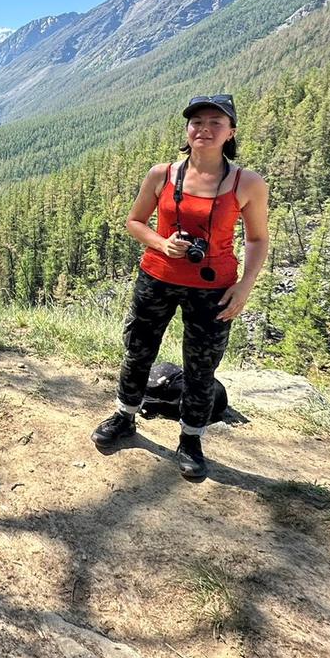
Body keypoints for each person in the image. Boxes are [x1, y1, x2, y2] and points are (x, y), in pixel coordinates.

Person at [90, 94, 269, 479]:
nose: (204, 129)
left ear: (231, 132)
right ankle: (125, 417)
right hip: (156, 277)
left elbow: (257, 239)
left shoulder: (247, 183)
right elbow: (135, 221)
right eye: (196, 122)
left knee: (201, 366)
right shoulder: (162, 174)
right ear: (187, 130)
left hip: (215, 287)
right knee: (137, 351)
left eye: (215, 123)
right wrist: (162, 243)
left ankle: (191, 438)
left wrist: (244, 287)